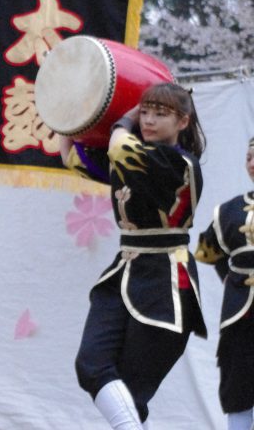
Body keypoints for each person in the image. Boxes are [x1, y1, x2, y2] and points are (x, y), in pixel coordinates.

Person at [59, 83, 206, 430]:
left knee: (132, 395)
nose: (149, 119)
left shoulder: (178, 162)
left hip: (166, 284)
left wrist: (124, 118)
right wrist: (65, 110)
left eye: (160, 113)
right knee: (91, 366)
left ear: (183, 122)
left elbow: (121, 148)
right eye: (146, 111)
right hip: (123, 273)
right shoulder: (132, 156)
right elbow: (71, 155)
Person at [194, 137, 254, 430]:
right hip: (239, 315)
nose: (253, 164)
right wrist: (230, 278)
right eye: (249, 157)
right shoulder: (228, 211)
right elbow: (207, 251)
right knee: (238, 382)